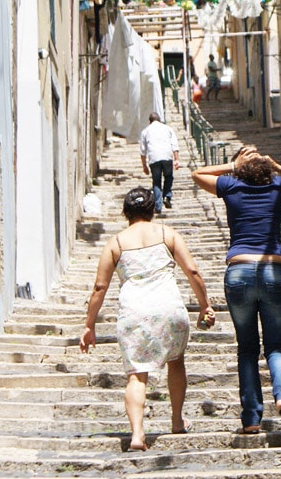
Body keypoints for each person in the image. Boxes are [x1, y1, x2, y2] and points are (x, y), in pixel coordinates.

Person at [80, 187, 216, 451]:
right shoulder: (168, 234)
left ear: (125, 212)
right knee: (176, 362)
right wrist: (204, 305)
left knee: (136, 375)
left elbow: (100, 287)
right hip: (169, 309)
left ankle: (137, 435)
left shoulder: (116, 243)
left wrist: (89, 325)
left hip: (134, 313)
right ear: (152, 210)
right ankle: (177, 420)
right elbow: (192, 270)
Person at [192, 146, 281, 435]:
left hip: (240, 269)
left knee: (247, 348)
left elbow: (196, 174)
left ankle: (252, 419)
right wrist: (276, 166)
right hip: (274, 269)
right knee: (276, 346)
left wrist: (233, 166)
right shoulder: (278, 185)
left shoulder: (231, 185)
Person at [140, 112, 180, 212]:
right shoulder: (167, 128)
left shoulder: (145, 131)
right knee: (168, 177)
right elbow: (174, 144)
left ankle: (158, 206)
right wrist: (176, 159)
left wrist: (144, 165)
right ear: (160, 119)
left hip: (154, 158)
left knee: (156, 182)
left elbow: (143, 151)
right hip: (167, 156)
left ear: (149, 121)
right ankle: (167, 197)